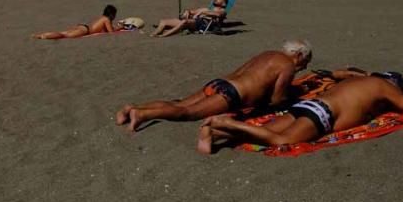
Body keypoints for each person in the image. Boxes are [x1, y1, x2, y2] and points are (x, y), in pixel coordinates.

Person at [197, 71, 403, 154]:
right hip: (323, 113)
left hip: (309, 105)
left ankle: (215, 134)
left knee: (261, 131)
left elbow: (340, 73)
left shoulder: (362, 80)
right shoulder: (383, 88)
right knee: (280, 140)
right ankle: (226, 123)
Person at [115, 40, 313, 132]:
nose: (303, 67)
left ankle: (133, 108)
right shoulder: (287, 65)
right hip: (232, 94)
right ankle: (143, 115)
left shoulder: (267, 53)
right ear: (298, 55)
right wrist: (296, 93)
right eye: (305, 62)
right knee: (187, 113)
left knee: (180, 103)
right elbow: (277, 99)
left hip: (221, 83)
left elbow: (244, 73)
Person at [150, 0, 229, 37]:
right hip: (194, 21)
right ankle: (155, 33)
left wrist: (202, 13)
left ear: (224, 3)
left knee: (184, 22)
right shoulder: (206, 9)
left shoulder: (223, 11)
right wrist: (187, 12)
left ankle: (164, 35)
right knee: (163, 21)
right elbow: (192, 11)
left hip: (203, 25)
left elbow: (217, 15)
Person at [32, 5, 118, 40]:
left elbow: (105, 30)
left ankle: (39, 35)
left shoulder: (102, 17)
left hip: (83, 26)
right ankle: (43, 36)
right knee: (64, 36)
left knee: (62, 32)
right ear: (111, 14)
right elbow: (111, 32)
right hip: (85, 31)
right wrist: (121, 28)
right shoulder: (107, 20)